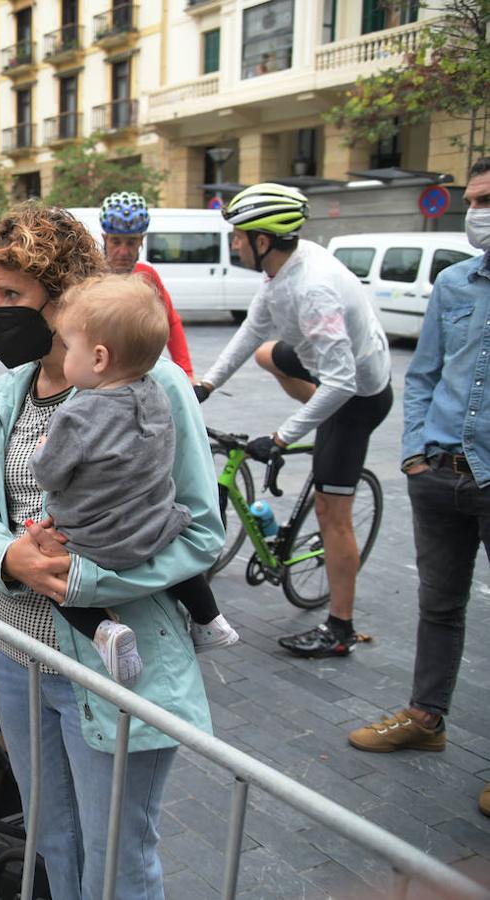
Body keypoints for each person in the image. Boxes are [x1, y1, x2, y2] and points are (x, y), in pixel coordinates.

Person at [0, 202, 219, 900]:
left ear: (63, 290)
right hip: (17, 660)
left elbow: (201, 530)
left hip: (110, 667)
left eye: (13, 295)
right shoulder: (3, 394)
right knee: (54, 838)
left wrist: (85, 580)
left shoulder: (153, 387)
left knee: (117, 858)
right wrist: (10, 559)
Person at [347, 158, 490, 819]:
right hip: (439, 474)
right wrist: (412, 456)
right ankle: (426, 718)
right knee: (439, 609)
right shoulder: (456, 282)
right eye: (472, 199)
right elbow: (425, 373)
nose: (476, 211)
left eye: (486, 198)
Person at [195, 183, 393, 658]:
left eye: (239, 236)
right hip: (323, 367)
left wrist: (282, 436)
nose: (234, 243)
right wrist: (206, 385)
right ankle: (317, 414)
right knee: (268, 354)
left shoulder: (313, 289)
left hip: (358, 393)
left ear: (263, 240)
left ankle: (340, 628)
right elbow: (253, 331)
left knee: (332, 513)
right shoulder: (282, 270)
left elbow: (343, 382)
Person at [26, 273, 238, 684]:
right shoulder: (156, 392)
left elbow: (48, 475)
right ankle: (209, 617)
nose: (64, 356)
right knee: (177, 549)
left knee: (52, 583)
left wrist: (42, 446)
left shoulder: (77, 415)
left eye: (69, 347)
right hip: (156, 527)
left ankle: (105, 631)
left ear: (99, 358)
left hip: (93, 543)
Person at [97, 191, 194, 379]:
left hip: (138, 373)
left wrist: (187, 373)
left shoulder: (147, 276)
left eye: (131, 242)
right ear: (104, 239)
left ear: (141, 241)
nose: (123, 251)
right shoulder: (90, 276)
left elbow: (171, 322)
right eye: (116, 241)